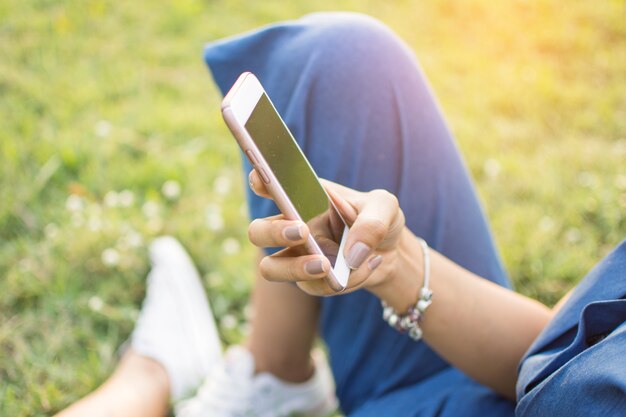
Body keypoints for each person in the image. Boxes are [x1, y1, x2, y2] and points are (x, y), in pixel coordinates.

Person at [56, 12, 626, 417]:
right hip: (503, 374)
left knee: (142, 378)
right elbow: (560, 357)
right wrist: (395, 264)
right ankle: (274, 375)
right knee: (344, 60)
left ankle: (151, 371)